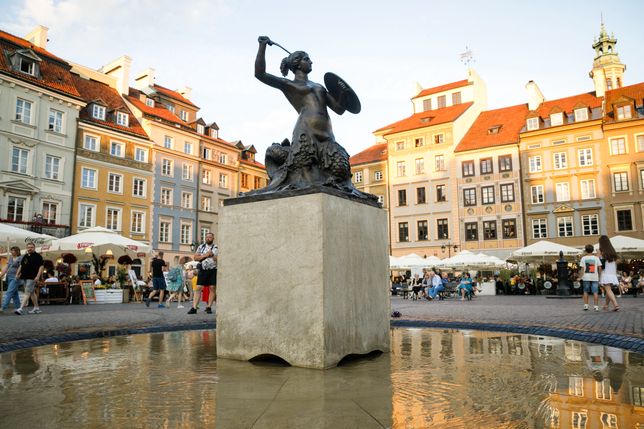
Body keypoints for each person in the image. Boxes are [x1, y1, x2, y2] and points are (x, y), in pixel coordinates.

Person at [188, 233, 218, 315]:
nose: (208, 238)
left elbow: (218, 259)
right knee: (198, 287)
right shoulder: (201, 247)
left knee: (212, 287)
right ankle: (194, 307)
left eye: (210, 237)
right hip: (203, 269)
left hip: (213, 270)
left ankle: (209, 306)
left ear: (213, 238)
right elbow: (195, 258)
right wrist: (205, 255)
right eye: (207, 237)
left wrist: (212, 255)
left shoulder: (216, 247)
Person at [14, 242, 44, 315]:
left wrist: (37, 276)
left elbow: (41, 267)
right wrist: (17, 274)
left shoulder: (38, 256)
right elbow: (21, 266)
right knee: (32, 293)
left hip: (32, 277)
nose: (30, 248)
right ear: (26, 248)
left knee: (27, 292)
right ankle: (36, 308)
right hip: (24, 276)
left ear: (34, 248)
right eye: (28, 247)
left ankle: (20, 309)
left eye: (31, 247)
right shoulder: (25, 256)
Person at [598, 235, 620, 311]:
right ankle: (606, 305)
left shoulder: (601, 251)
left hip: (605, 273)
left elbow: (600, 265)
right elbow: (616, 262)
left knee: (608, 289)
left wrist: (599, 275)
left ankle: (615, 304)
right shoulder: (612, 251)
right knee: (608, 289)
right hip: (612, 272)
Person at [579, 244, 602, 312]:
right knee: (595, 292)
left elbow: (582, 269)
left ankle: (586, 305)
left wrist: (580, 277)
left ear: (586, 250)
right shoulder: (596, 258)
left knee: (585, 291)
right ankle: (596, 306)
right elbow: (600, 267)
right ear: (592, 250)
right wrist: (599, 276)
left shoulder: (583, 258)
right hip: (595, 277)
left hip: (586, 277)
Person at [1, 246, 23, 312]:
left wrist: (18, 275)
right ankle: (18, 307)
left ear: (17, 251)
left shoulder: (21, 258)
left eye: (13, 250)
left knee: (9, 292)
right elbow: (6, 267)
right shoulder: (10, 258)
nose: (12, 251)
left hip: (16, 277)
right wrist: (1, 274)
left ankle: (3, 307)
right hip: (9, 276)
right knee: (14, 293)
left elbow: (22, 267)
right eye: (11, 250)